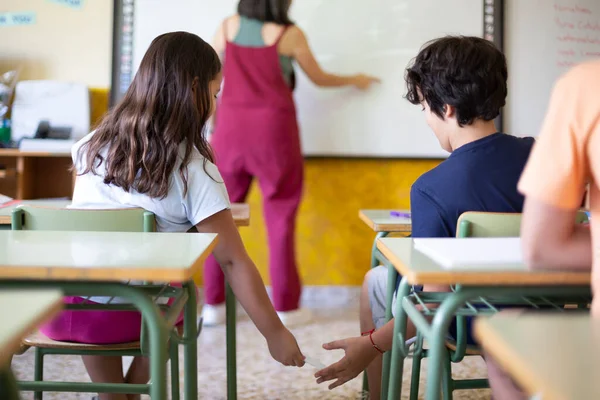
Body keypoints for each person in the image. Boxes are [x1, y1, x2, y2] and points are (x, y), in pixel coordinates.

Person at [41, 32, 305, 400]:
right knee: (183, 291)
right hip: (135, 315)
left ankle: (111, 392)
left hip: (60, 305)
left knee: (100, 280)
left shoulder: (88, 147)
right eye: (215, 94)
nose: (216, 104)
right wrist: (275, 333)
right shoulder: (193, 168)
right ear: (194, 89)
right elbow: (231, 260)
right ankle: (126, 393)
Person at [314, 36, 534, 399]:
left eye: (425, 109)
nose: (427, 120)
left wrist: (372, 343)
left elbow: (435, 306)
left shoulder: (430, 189)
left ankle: (379, 395)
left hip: (469, 322)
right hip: (551, 311)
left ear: (446, 108)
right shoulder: (540, 156)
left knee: (374, 281)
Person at [204, 0, 380, 326]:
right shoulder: (290, 34)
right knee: (281, 218)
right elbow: (320, 78)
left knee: (218, 216)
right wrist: (355, 79)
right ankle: (286, 307)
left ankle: (213, 305)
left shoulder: (228, 26)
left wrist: (214, 118)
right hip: (274, 134)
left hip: (230, 131)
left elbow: (209, 76)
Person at [485, 60, 600, 400]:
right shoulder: (527, 148)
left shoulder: (585, 86)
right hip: (563, 304)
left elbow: (542, 245)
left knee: (502, 333)